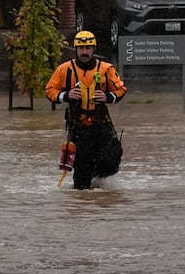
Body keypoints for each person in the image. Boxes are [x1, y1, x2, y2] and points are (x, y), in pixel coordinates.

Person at [44, 29, 126, 189]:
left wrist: (108, 97)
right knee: (81, 176)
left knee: (110, 160)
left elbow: (121, 90)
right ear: (76, 49)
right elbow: (49, 90)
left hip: (102, 125)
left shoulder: (106, 69)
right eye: (81, 48)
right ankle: (83, 201)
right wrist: (66, 95)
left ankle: (101, 190)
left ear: (93, 49)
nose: (84, 52)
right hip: (78, 128)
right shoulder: (64, 69)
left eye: (88, 48)